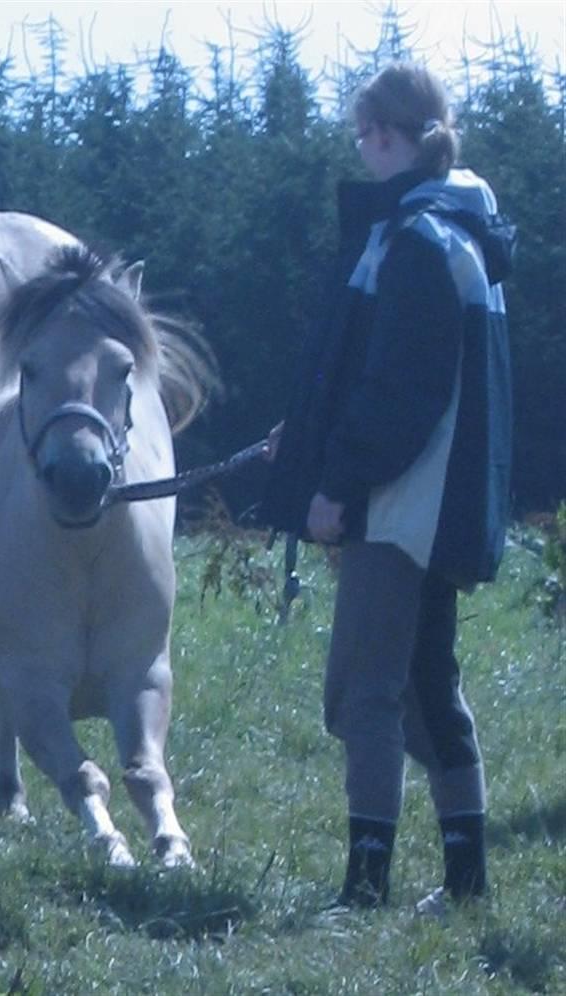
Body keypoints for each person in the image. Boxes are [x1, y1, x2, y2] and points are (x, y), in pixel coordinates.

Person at [261, 62, 514, 913]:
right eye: (364, 129)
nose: (367, 143)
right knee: (428, 687)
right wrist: (306, 438)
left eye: (383, 131)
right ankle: (467, 884)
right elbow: (374, 374)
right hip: (441, 504)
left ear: (415, 138)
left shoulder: (413, 239)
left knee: (363, 691)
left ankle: (366, 888)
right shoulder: (456, 233)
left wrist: (337, 484)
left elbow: (398, 395)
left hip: (399, 503)